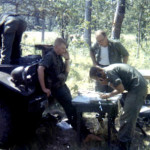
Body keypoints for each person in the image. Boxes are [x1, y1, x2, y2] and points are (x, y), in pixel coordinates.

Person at [37, 38, 101, 142]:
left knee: (75, 107)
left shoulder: (58, 56)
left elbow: (66, 71)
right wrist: (44, 88)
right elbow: (40, 68)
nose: (64, 50)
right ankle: (84, 135)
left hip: (62, 86)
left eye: (65, 49)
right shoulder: (50, 56)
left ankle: (85, 133)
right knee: (71, 110)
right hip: (56, 88)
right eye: (62, 48)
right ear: (56, 47)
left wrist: (67, 59)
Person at [89, 64, 147, 150]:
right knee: (128, 117)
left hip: (137, 89)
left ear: (99, 73)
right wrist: (108, 83)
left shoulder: (109, 72)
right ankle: (124, 141)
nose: (99, 80)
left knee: (127, 117)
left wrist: (108, 95)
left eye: (98, 79)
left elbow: (121, 89)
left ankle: (123, 145)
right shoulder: (108, 71)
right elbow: (118, 86)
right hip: (136, 87)